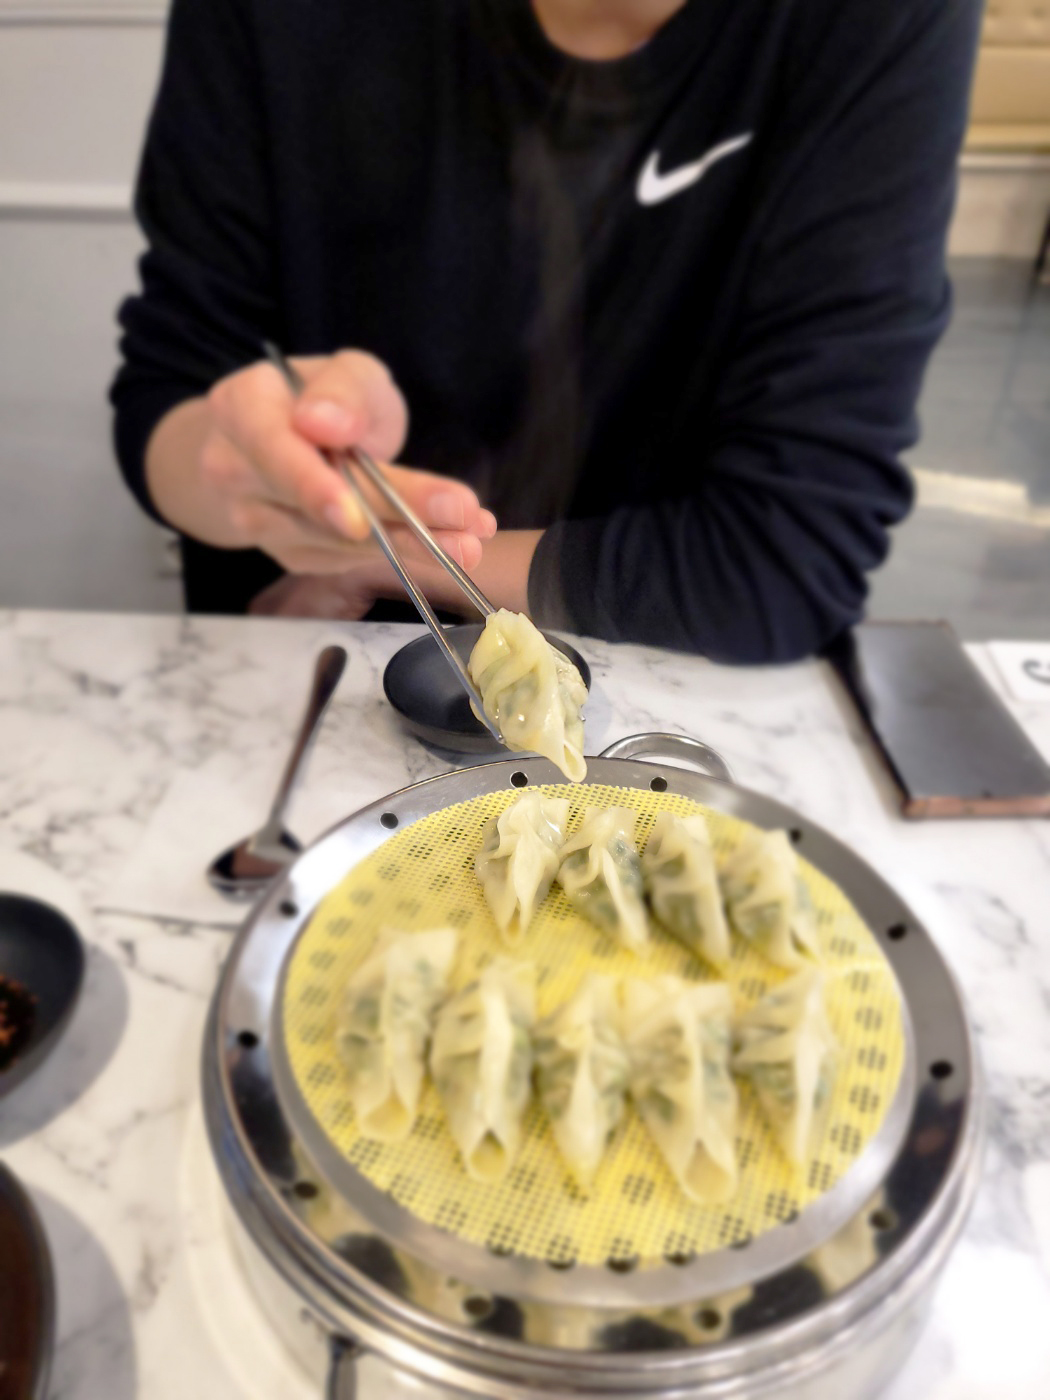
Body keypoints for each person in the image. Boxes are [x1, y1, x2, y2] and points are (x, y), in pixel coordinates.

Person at [111, 0, 980, 661]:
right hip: (304, 662)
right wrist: (246, 463)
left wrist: (388, 557)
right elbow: (174, 387)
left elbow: (787, 563)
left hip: (673, 683)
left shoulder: (874, 24)